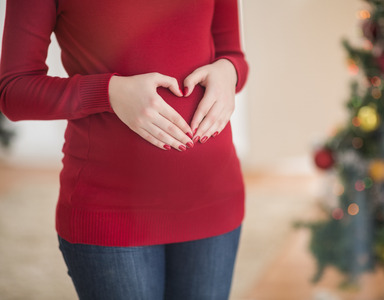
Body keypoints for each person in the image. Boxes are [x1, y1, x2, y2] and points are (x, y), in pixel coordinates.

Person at [0, 0, 249, 299]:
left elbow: (232, 55)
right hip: (110, 208)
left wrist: (229, 71)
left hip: (214, 194)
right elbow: (13, 90)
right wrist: (109, 92)